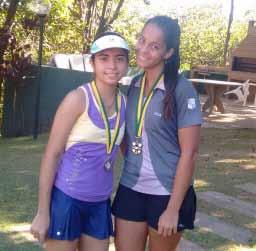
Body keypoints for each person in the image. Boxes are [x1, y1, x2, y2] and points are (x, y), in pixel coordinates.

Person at [30, 31, 129, 251]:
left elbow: (129, 151)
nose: (112, 65)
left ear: (127, 64)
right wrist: (43, 212)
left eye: (119, 58)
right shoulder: (77, 99)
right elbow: (52, 154)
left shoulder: (126, 104)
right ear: (92, 62)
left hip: (100, 203)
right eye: (104, 58)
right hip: (67, 200)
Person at [112, 16, 202, 251]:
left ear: (168, 52)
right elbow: (127, 136)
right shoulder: (133, 84)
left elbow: (190, 153)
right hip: (131, 187)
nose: (144, 49)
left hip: (167, 194)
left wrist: (173, 209)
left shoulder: (182, 90)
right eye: (142, 40)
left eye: (154, 46)